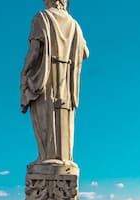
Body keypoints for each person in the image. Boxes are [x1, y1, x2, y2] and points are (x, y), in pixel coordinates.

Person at [21, 1, 89, 164]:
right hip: (67, 85)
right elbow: (85, 52)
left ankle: (46, 158)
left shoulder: (42, 18)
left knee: (46, 122)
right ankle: (62, 160)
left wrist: (25, 71)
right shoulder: (74, 24)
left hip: (46, 81)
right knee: (63, 123)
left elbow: (35, 51)